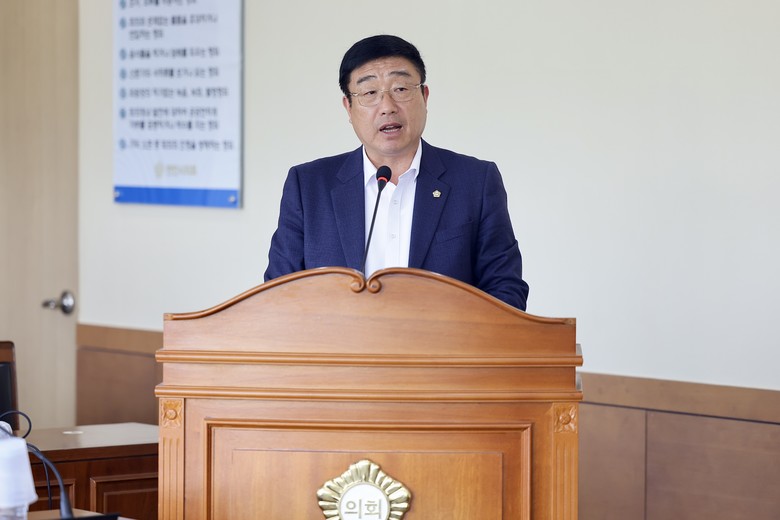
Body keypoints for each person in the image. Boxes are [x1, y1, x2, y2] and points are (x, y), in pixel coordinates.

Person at [264, 35, 529, 310]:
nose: (388, 107)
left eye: (401, 89)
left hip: (443, 339)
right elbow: (276, 297)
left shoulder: (475, 181)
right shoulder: (308, 186)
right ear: (348, 108)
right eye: (369, 93)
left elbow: (506, 292)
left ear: (425, 96)